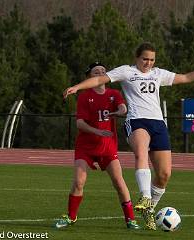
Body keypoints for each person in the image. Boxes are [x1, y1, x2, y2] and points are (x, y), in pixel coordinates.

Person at [63, 43, 194, 230]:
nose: (148, 63)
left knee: (164, 174)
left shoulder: (158, 74)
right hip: (137, 121)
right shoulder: (126, 71)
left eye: (152, 59)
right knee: (141, 152)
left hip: (158, 124)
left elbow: (185, 77)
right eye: (145, 59)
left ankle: (149, 207)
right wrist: (76, 87)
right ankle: (144, 196)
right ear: (137, 58)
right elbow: (98, 80)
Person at [55, 62, 140, 230]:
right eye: (96, 72)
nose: (100, 73)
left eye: (103, 71)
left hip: (108, 148)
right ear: (90, 77)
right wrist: (97, 131)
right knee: (79, 181)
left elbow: (123, 107)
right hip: (86, 147)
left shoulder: (114, 93)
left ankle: (130, 219)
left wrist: (120, 111)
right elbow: (80, 123)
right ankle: (71, 217)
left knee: (119, 182)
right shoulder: (85, 96)